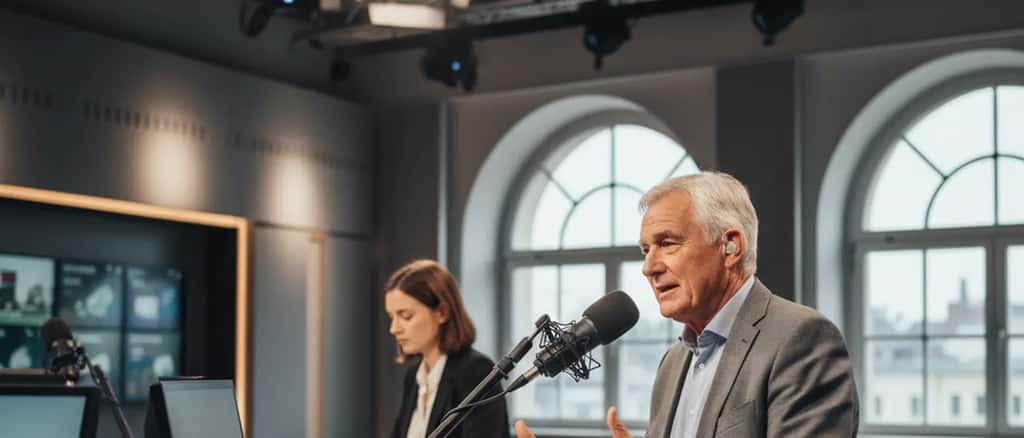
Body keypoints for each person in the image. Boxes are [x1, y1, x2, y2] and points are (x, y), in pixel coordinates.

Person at [515, 171, 859, 438]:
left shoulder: (801, 339)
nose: (649, 267)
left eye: (667, 243)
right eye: (645, 250)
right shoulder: (673, 362)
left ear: (730, 246)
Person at [386, 259, 510, 438]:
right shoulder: (413, 375)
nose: (394, 328)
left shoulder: (477, 371)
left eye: (406, 316)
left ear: (441, 312)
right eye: (391, 317)